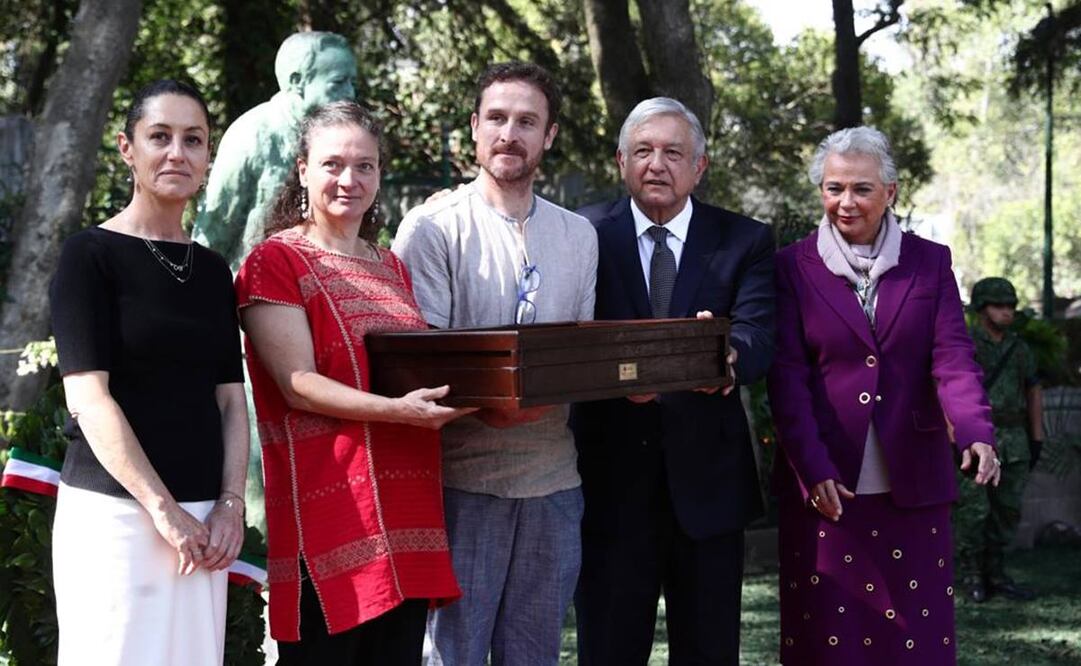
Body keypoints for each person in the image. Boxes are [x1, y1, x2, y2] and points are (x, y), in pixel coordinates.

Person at [235, 101, 468, 665]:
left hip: (408, 508)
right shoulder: (275, 261)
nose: (349, 179)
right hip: (331, 513)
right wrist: (401, 411)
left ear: (380, 175)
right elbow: (297, 384)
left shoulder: (391, 266)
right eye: (333, 164)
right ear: (303, 171)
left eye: (365, 166)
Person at [767, 126, 1001, 665]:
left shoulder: (930, 261)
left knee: (915, 640)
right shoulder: (791, 266)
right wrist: (811, 467)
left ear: (890, 192)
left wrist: (974, 432)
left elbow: (953, 357)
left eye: (862, 189)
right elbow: (787, 379)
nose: (845, 202)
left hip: (913, 482)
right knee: (831, 637)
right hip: (827, 484)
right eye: (834, 188)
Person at [392, 62, 597, 666]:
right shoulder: (432, 228)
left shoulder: (579, 235)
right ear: (474, 127)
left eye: (527, 122)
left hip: (555, 486)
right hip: (462, 487)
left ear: (549, 135)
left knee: (535, 656)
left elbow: (577, 356)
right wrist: (500, 405)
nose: (510, 134)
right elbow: (420, 366)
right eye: (498, 118)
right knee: (451, 655)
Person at [49, 79, 249, 665]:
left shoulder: (212, 271)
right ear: (126, 148)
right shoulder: (88, 255)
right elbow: (89, 398)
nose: (177, 153)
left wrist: (230, 506)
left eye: (194, 140)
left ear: (207, 156)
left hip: (204, 525)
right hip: (117, 517)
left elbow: (230, 400)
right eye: (159, 136)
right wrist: (163, 509)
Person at [570, 96, 774, 665]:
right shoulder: (582, 232)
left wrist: (723, 358)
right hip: (608, 487)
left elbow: (758, 333)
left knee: (709, 653)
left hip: (709, 489)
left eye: (673, 153)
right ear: (621, 161)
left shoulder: (745, 239)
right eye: (642, 151)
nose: (656, 164)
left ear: (699, 166)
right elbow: (562, 333)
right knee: (608, 652)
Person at [194, 31, 357, 270]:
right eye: (338, 83)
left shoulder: (345, 138)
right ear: (296, 81)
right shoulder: (252, 134)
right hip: (253, 284)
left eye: (353, 83)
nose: (351, 93)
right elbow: (215, 231)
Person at [954, 277, 1043, 602]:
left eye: (1010, 305)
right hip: (975, 439)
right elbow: (944, 390)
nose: (1006, 311)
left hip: (1014, 440)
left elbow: (1033, 391)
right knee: (973, 511)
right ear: (981, 308)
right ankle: (972, 575)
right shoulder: (964, 345)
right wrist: (954, 438)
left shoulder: (1019, 348)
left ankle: (996, 573)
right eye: (998, 305)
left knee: (1007, 509)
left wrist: (1037, 438)